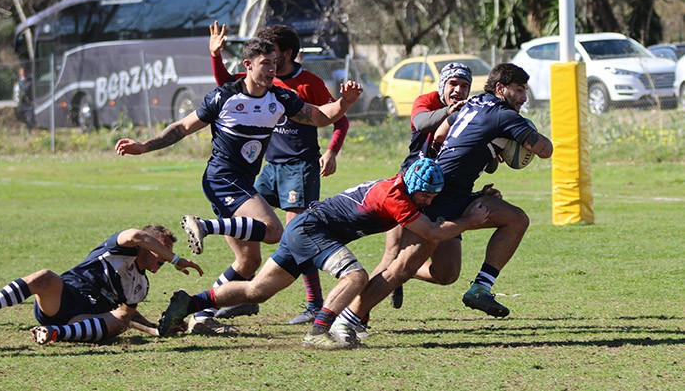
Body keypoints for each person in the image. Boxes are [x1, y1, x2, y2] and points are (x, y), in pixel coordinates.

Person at [115, 38, 362, 334]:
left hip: (242, 182)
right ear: (247, 65)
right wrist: (144, 145)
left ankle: (200, 314)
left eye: (274, 63)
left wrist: (344, 103)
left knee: (248, 262)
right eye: (265, 64)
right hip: (222, 178)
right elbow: (182, 127)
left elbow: (320, 116)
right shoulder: (224, 97)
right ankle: (205, 226)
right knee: (273, 231)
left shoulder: (280, 99)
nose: (272, 69)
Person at [161, 158, 490, 349]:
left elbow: (430, 222)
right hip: (312, 230)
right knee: (356, 276)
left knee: (255, 291)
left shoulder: (402, 188)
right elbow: (432, 232)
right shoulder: (396, 196)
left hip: (305, 228)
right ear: (412, 186)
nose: (430, 201)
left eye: (434, 196)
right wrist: (470, 220)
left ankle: (187, 303)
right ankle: (319, 332)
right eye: (426, 196)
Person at [332, 63, 553, 340]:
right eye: (519, 90)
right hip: (437, 197)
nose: (523, 97)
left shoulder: (473, 103)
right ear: (500, 89)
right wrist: (522, 133)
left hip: (455, 193)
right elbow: (545, 150)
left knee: (458, 263)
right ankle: (346, 319)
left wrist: (484, 150)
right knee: (401, 266)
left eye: (525, 91)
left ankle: (480, 289)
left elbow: (438, 135)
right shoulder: (505, 115)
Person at [205, 22, 349, 326]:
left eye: (273, 54)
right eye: (264, 56)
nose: (269, 60)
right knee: (247, 230)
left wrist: (332, 151)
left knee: (297, 235)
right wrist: (215, 56)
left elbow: (337, 118)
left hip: (299, 166)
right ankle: (242, 297)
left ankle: (314, 303)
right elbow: (227, 88)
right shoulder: (261, 80)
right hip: (270, 167)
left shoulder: (308, 82)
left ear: (287, 53)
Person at [0, 225, 203, 344]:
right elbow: (135, 235)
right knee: (45, 276)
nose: (163, 255)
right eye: (160, 248)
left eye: (167, 251)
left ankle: (54, 334)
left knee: (120, 319)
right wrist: (175, 259)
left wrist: (156, 329)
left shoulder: (140, 286)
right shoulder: (119, 247)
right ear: (146, 245)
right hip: (62, 297)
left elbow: (128, 316)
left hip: (86, 320)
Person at [387, 62, 474, 309]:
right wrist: (451, 112)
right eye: (453, 84)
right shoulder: (426, 101)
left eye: (464, 86)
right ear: (442, 86)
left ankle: (405, 272)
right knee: (391, 255)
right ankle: (355, 317)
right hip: (410, 186)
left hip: (446, 193)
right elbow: (422, 123)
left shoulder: (472, 112)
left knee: (447, 274)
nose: (458, 90)